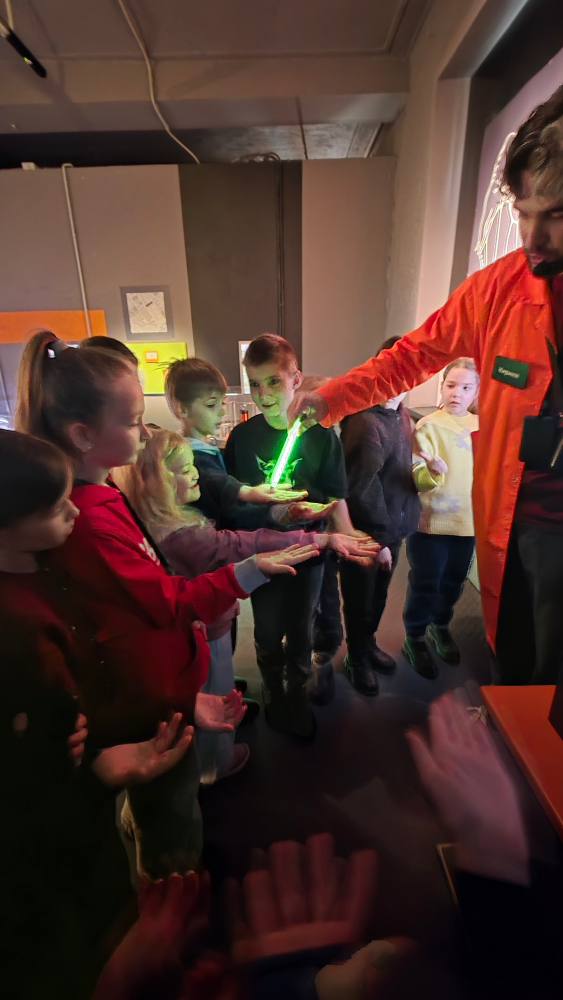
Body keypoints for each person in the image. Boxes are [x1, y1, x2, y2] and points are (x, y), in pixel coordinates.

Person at [288, 86, 563, 685]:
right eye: (524, 213)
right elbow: (412, 355)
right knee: (519, 667)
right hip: (515, 528)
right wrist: (330, 398)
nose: (532, 239)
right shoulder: (497, 289)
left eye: (557, 216)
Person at [13, 330, 280, 878]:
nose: (145, 430)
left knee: (162, 806)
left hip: (156, 686)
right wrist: (249, 572)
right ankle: (174, 894)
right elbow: (162, 599)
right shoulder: (88, 518)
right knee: (172, 819)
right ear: (83, 434)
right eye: (134, 421)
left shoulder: (102, 494)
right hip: (142, 699)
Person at [0, 429, 197, 998]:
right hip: (57, 837)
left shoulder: (41, 571)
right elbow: (29, 781)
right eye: (55, 507)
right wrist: (94, 774)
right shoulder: (16, 629)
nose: (74, 512)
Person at [114, 430, 377, 781]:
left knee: (224, 679)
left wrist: (292, 520)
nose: (197, 474)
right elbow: (242, 542)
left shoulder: (166, 517)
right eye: (186, 469)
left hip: (204, 623)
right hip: (205, 629)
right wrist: (319, 537)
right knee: (214, 688)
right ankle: (216, 763)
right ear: (160, 482)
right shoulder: (184, 535)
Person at [224, 334, 359, 741]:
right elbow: (233, 503)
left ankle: (296, 692)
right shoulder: (242, 439)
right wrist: (267, 512)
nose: (263, 394)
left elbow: (333, 495)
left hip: (309, 551)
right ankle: (272, 688)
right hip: (262, 552)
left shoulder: (322, 436)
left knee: (301, 627)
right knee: (266, 629)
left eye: (273, 382)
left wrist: (324, 517)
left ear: (295, 379)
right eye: (255, 384)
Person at [338, 336, 420, 696]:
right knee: (360, 599)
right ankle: (356, 656)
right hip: (367, 534)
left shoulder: (400, 415)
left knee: (378, 596)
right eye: (389, 374)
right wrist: (381, 541)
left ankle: (367, 644)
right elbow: (360, 488)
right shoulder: (364, 422)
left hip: (393, 527)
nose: (396, 386)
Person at [402, 359, 479, 678]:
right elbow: (416, 476)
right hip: (430, 524)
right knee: (426, 580)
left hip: (467, 523)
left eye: (466, 387)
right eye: (451, 385)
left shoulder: (480, 426)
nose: (457, 393)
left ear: (476, 392)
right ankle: (414, 636)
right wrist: (431, 472)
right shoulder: (428, 426)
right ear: (442, 387)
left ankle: (440, 625)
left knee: (453, 581)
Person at [165, 357, 308, 524]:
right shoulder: (188, 456)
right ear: (182, 409)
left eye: (222, 403)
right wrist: (246, 492)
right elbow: (213, 480)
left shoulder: (206, 449)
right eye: (211, 405)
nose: (222, 412)